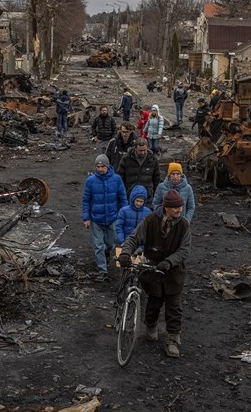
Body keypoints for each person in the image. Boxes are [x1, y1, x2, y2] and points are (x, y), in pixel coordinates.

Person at [118, 189, 191, 358]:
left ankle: (172, 340)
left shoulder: (184, 225)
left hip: (174, 273)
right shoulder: (150, 221)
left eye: (180, 206)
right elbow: (133, 238)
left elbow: (184, 250)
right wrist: (125, 253)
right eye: (175, 207)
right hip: (152, 271)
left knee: (174, 308)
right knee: (153, 303)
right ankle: (151, 326)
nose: (179, 210)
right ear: (166, 207)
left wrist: (169, 262)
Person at [82, 154, 128, 279]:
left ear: (108, 166)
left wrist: (124, 214)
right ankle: (102, 271)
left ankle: (107, 252)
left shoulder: (116, 179)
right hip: (96, 218)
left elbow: (122, 198)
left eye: (103, 166)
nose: (100, 169)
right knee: (98, 246)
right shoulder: (90, 181)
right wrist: (86, 218)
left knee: (110, 243)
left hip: (112, 217)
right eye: (98, 166)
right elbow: (86, 200)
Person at [117, 137, 161, 204]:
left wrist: (154, 194)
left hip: (148, 197)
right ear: (135, 149)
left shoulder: (153, 159)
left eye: (144, 150)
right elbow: (120, 177)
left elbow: (156, 179)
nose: (143, 152)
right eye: (140, 151)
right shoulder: (126, 159)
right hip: (130, 196)